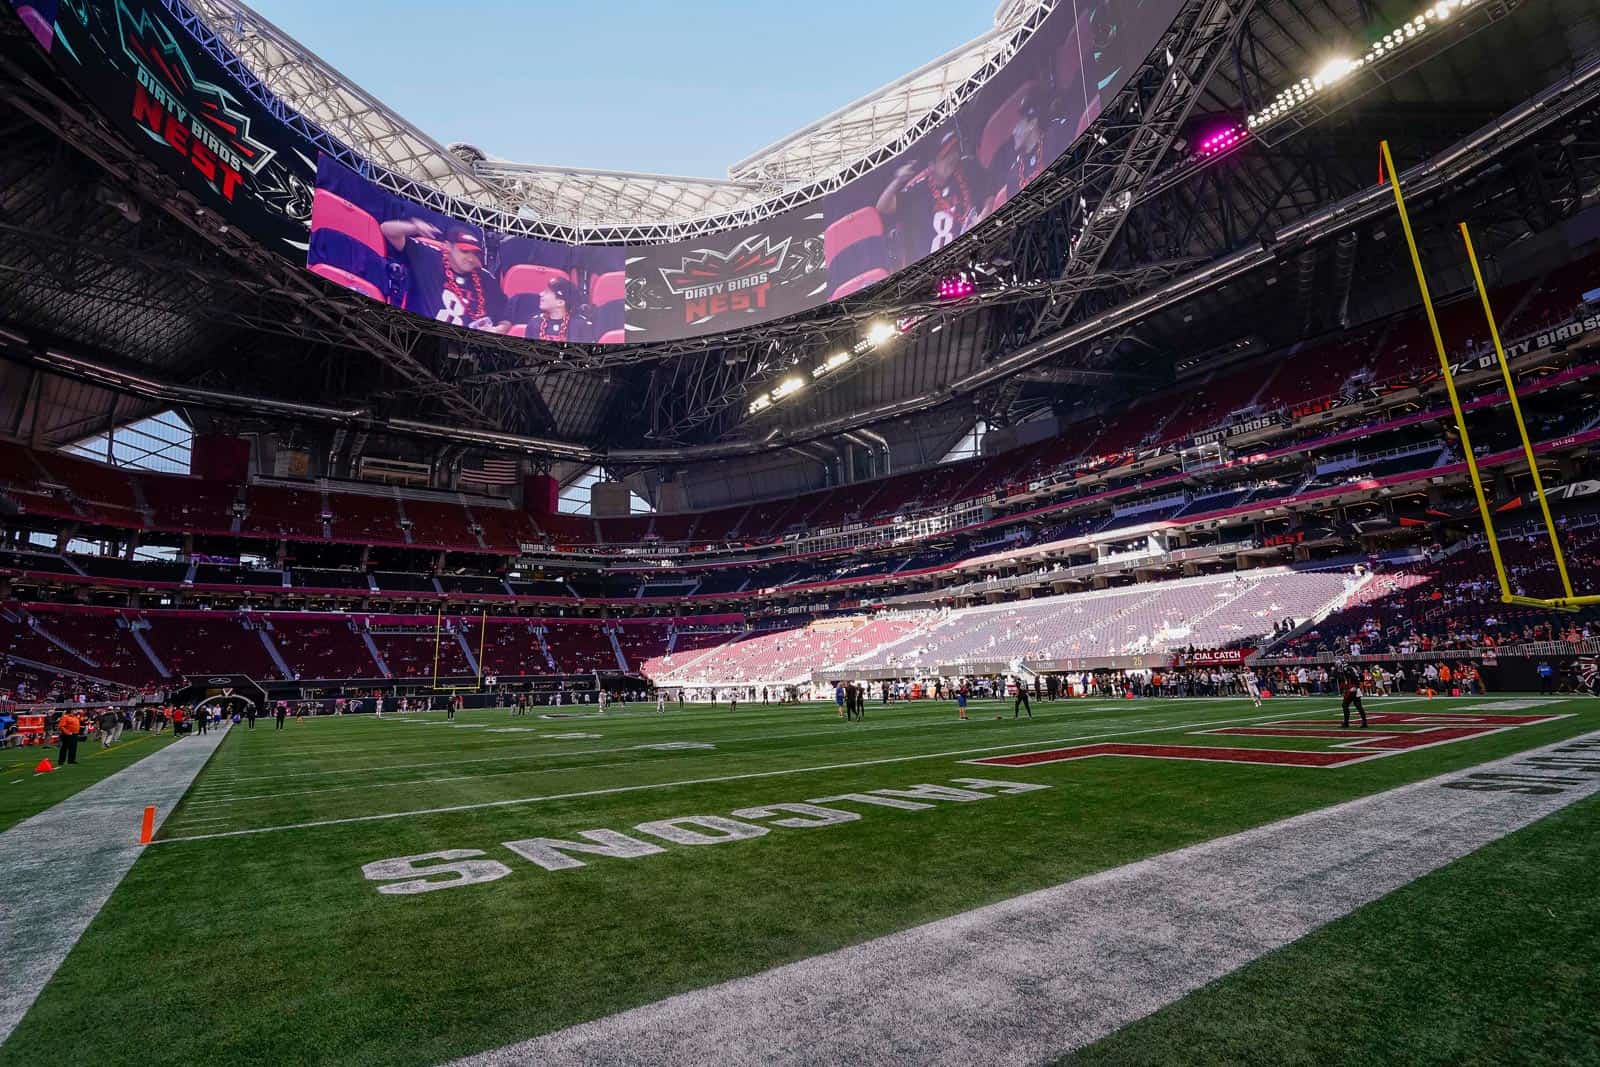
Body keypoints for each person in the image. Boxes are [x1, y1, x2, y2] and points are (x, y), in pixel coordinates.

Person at [379, 219, 511, 333]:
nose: (470, 258)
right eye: (464, 251)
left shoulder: (486, 279)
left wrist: (497, 330)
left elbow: (507, 317)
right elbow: (387, 229)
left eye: (474, 253)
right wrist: (414, 227)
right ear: (448, 247)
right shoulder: (427, 256)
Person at [876, 131, 983, 266]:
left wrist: (980, 218)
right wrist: (897, 181)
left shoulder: (966, 174)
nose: (952, 159)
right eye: (945, 156)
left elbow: (989, 195)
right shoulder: (916, 190)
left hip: (965, 256)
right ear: (931, 165)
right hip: (928, 271)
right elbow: (883, 207)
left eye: (954, 153)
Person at [522, 276, 597, 342]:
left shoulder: (581, 325)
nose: (541, 294)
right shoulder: (535, 322)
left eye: (547, 292)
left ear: (560, 302)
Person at [1339, 662, 1368, 729]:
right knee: (1358, 706)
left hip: (1352, 688)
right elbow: (1361, 677)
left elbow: (1353, 677)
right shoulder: (1354, 669)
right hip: (1356, 689)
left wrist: (1355, 685)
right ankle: (1364, 722)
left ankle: (1346, 723)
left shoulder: (1348, 669)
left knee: (1345, 705)